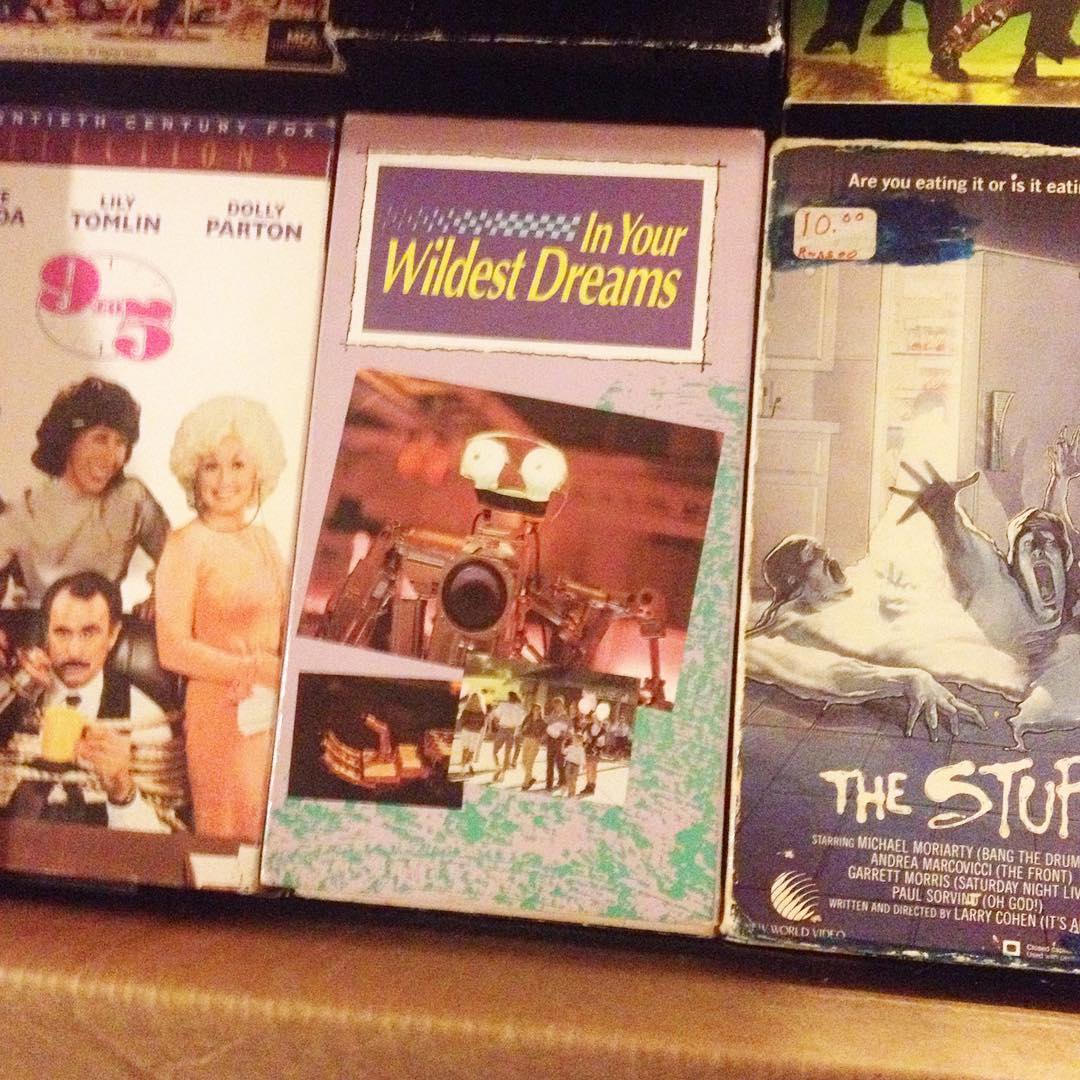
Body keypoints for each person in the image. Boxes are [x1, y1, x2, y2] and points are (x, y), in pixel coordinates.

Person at [154, 397, 287, 843]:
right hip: (219, 713)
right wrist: (254, 668)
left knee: (270, 836)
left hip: (270, 708)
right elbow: (173, 649)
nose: (225, 480)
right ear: (194, 473)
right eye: (212, 466)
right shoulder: (185, 544)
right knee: (228, 842)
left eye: (238, 464)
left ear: (258, 472)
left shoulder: (264, 540)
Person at [0, 571, 170, 831]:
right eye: (62, 632)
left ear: (112, 635)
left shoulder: (145, 718)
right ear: (45, 633)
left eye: (89, 633)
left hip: (101, 853)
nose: (74, 650)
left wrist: (122, 791)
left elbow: (161, 842)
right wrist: (14, 693)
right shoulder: (9, 698)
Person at [0, 377, 169, 610]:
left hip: (105, 628)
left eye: (120, 442)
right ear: (68, 441)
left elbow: (179, 557)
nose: (111, 456)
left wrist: (161, 598)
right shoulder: (24, 511)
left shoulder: (131, 499)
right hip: (38, 628)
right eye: (100, 439)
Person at [490, 691, 525, 781]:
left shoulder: (503, 705)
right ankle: (503, 774)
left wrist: (497, 724)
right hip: (512, 730)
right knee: (507, 752)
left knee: (495, 751)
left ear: (509, 697)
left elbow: (495, 715)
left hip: (503, 729)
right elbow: (520, 723)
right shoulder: (519, 709)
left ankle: (498, 767)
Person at [455, 692, 487, 775]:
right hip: (476, 733)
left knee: (465, 749)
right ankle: (468, 765)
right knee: (472, 750)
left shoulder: (466, 710)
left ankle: (463, 768)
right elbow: (483, 724)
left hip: (466, 731)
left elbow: (462, 721)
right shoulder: (482, 712)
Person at [543, 696, 570, 792]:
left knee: (559, 763)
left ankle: (563, 780)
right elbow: (547, 725)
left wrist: (563, 735)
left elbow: (569, 731)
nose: (556, 707)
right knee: (549, 762)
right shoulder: (552, 715)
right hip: (551, 741)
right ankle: (548, 784)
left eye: (558, 705)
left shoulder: (566, 717)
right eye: (555, 705)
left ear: (562, 705)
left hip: (560, 741)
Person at [518, 702, 547, 791]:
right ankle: (530, 778)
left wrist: (541, 739)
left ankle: (526, 783)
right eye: (535, 709)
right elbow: (522, 727)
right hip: (526, 740)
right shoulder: (528, 718)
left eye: (538, 709)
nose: (536, 711)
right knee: (524, 761)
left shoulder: (542, 722)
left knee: (529, 762)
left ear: (540, 711)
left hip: (535, 741)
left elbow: (545, 732)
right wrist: (522, 733)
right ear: (532, 710)